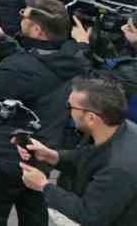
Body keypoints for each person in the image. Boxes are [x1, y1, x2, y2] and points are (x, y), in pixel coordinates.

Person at [0, 0, 85, 226]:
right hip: (44, 150)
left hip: (5, 155)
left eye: (24, 15)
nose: (20, 16)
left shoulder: (21, 70)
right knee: (33, 210)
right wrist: (4, 41)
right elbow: (36, 57)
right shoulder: (70, 54)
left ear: (37, 29)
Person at [17, 78, 137, 221]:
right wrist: (52, 156)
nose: (68, 112)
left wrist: (43, 186)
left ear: (91, 118)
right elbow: (89, 157)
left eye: (70, 107)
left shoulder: (118, 168)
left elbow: (90, 216)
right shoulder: (120, 129)